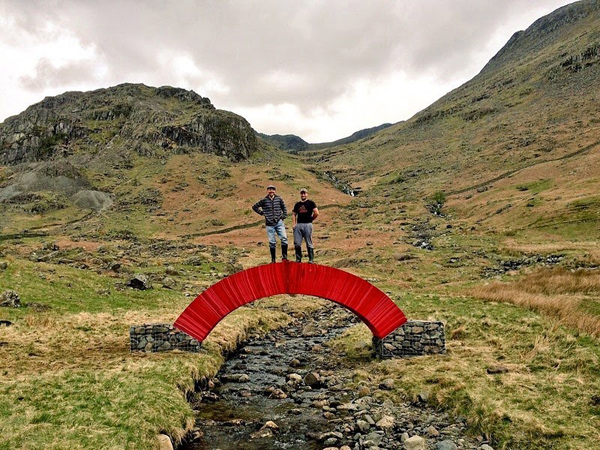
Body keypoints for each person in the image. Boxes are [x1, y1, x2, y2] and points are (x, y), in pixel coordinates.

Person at [252, 185, 288, 263]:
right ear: (267, 191)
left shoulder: (279, 199)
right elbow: (254, 207)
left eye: (272, 189)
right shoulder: (264, 200)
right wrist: (262, 213)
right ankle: (273, 260)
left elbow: (284, 208)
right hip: (269, 224)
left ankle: (284, 257)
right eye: (269, 189)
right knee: (272, 242)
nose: (271, 191)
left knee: (284, 239)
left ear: (275, 191)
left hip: (279, 222)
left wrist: (284, 216)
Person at [292, 188, 319, 263]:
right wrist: (294, 224)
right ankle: (298, 259)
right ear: (300, 194)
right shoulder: (297, 204)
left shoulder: (311, 203)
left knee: (308, 242)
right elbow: (294, 214)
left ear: (307, 194)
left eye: (304, 193)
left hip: (307, 224)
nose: (303, 195)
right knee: (297, 243)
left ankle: (311, 259)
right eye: (302, 193)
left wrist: (311, 219)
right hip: (299, 225)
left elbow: (316, 212)